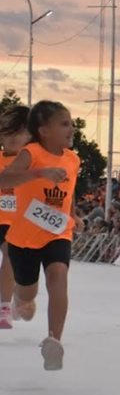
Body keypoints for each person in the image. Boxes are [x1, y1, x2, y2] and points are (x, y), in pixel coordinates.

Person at [0, 101, 79, 370]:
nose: (71, 128)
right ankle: (20, 299)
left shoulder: (73, 159)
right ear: (44, 131)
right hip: (23, 238)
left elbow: (69, 193)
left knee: (58, 276)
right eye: (64, 123)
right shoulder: (30, 153)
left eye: (71, 122)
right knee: (27, 293)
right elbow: (4, 180)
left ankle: (54, 341)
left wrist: (74, 214)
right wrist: (40, 173)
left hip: (58, 232)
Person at [0, 105, 31, 329]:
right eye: (6, 132)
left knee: (10, 257)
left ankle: (5, 306)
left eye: (18, 133)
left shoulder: (32, 163)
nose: (11, 138)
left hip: (17, 222)